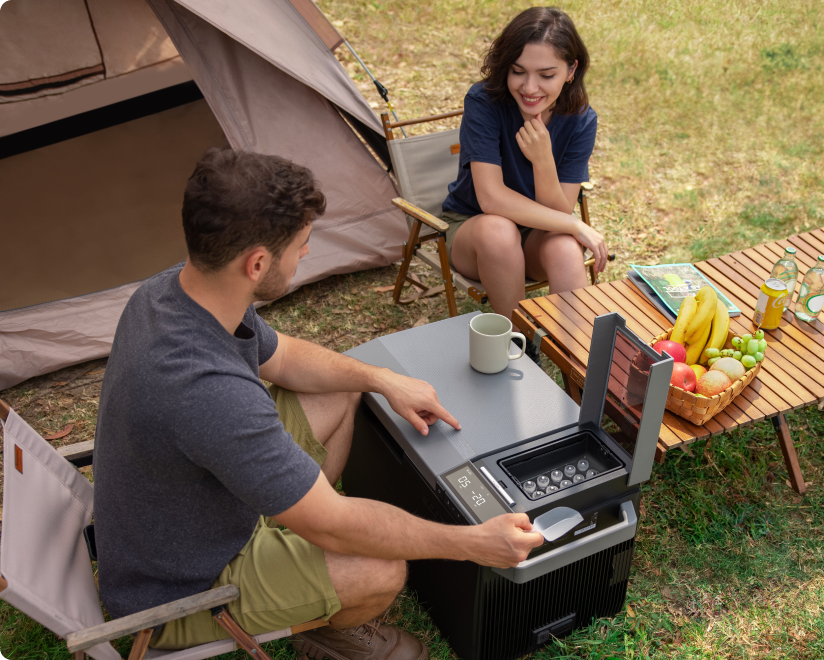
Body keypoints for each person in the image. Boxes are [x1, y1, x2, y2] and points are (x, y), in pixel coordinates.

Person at [93, 148, 543, 660]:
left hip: (198, 505)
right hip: (181, 588)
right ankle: (321, 623)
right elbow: (337, 524)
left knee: (343, 383)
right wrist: (474, 543)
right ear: (257, 262)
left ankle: (293, 519)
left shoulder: (172, 292)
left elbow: (282, 357)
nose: (306, 253)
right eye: (301, 245)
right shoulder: (207, 391)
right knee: (380, 569)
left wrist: (383, 379)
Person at [440, 7, 609, 321]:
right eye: (518, 71)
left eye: (546, 75)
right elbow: (491, 198)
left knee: (565, 247)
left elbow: (557, 213)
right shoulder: (484, 102)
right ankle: (520, 344)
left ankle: (577, 357)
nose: (530, 88)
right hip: (473, 230)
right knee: (499, 230)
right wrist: (575, 224)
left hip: (536, 233)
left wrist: (543, 160)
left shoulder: (581, 121)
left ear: (571, 71)